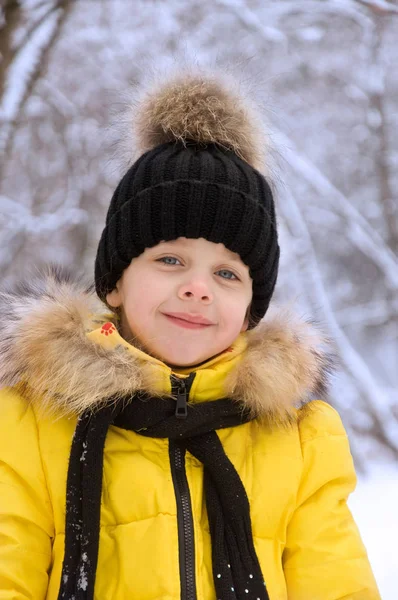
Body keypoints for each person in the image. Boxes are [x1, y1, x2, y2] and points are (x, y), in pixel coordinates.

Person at [0, 68, 380, 600]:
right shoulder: (29, 423)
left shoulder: (300, 438)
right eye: (170, 259)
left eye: (227, 274)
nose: (198, 288)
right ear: (114, 283)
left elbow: (336, 584)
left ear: (251, 309)